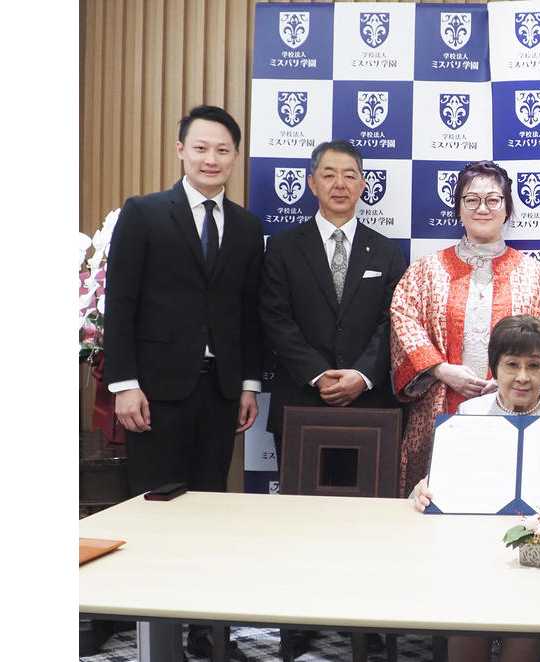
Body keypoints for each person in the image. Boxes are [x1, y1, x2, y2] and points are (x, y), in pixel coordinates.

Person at [103, 105, 261, 661]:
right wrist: (124, 383)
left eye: (222, 150)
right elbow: (120, 302)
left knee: (210, 512)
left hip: (219, 393)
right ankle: (154, 630)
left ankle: (206, 630)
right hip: (154, 392)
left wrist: (247, 384)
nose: (211, 159)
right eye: (201, 148)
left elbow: (248, 313)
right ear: (180, 151)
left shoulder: (247, 226)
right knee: (156, 510)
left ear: (235, 157)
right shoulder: (144, 213)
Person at [410, 315, 540, 662]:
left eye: (534, 366)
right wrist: (423, 488)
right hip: (475, 548)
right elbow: (440, 482)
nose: (523, 376)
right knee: (468, 618)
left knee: (525, 622)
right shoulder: (468, 414)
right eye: (512, 365)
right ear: (494, 368)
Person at [390, 160, 540, 496]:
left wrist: (508, 378)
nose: (482, 208)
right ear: (458, 208)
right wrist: (440, 369)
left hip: (517, 405)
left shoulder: (536, 275)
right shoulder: (426, 270)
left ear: (507, 209)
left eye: (493, 200)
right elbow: (403, 318)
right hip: (440, 404)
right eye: (471, 200)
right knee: (438, 497)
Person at [260, 140, 407, 460]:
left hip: (370, 405)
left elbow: (394, 322)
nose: (340, 184)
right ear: (312, 183)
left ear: (363, 185)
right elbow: (275, 318)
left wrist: (362, 375)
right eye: (329, 175)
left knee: (369, 494)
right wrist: (318, 374)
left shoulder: (387, 252)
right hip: (300, 400)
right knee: (299, 493)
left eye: (350, 175)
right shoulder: (282, 248)